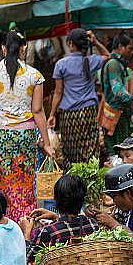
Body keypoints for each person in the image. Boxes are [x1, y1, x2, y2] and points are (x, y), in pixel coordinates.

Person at [0, 31, 53, 222]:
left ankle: (0, 219)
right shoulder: (34, 75)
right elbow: (37, 111)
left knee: (0, 180)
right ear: (24, 48)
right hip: (24, 136)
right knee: (22, 183)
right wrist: (46, 143)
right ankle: (23, 221)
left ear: (3, 48)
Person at [47, 28, 108, 168]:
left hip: (69, 114)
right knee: (90, 147)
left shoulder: (61, 64)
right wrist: (96, 42)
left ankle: (72, 181)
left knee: (70, 150)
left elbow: (58, 92)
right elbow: (107, 55)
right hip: (88, 112)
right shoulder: (92, 61)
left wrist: (51, 114)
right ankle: (90, 179)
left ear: (70, 44)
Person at [20, 174, 101, 261]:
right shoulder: (92, 224)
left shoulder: (47, 232)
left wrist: (26, 232)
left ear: (55, 198)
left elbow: (27, 259)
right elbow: (69, 227)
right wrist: (56, 217)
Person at [100, 32, 133, 154]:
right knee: (119, 150)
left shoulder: (118, 64)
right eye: (130, 48)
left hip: (119, 114)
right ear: (121, 46)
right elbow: (118, 91)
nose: (132, 52)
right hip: (116, 116)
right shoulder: (114, 64)